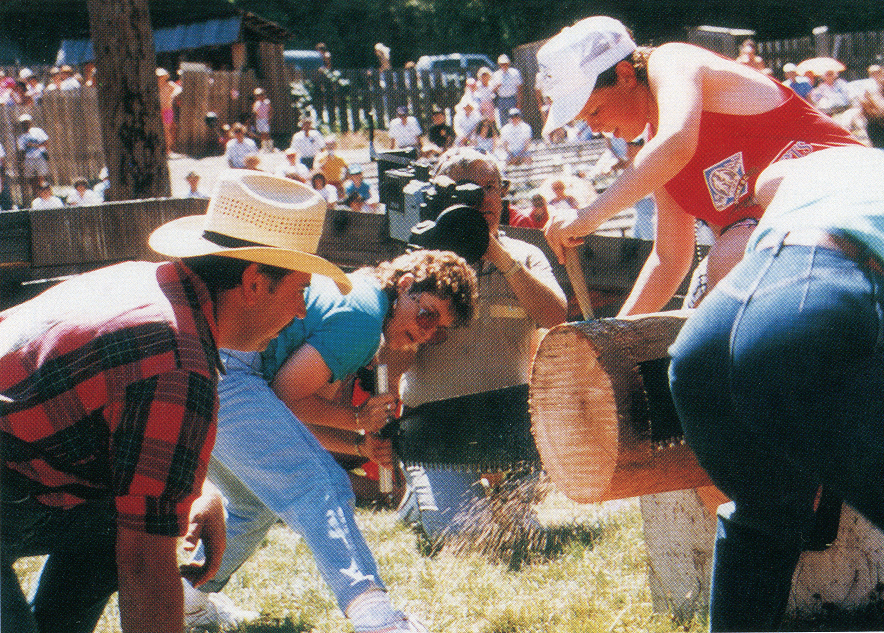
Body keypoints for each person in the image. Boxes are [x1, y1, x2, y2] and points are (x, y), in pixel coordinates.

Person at [668, 58, 884, 632]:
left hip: (703, 348)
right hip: (814, 318)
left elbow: (766, 184)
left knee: (768, 516)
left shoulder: (827, 163)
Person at [2, 169, 351, 633]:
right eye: (299, 291)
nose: (301, 311)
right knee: (132, 531)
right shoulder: (175, 360)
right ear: (254, 283)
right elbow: (145, 563)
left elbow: (126, 450)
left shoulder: (150, 284)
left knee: (121, 520)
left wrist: (196, 491)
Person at [183, 250, 477, 632]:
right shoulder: (364, 320)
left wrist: (360, 445)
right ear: (405, 286)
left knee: (253, 505)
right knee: (322, 486)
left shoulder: (362, 295)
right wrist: (357, 419)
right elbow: (288, 395)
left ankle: (186, 601)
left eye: (438, 330)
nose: (426, 332)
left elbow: (286, 410)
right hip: (230, 371)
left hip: (210, 364)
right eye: (428, 315)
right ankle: (377, 620)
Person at [539, 16, 859, 317]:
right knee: (702, 313)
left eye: (594, 111)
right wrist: (610, 340)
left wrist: (586, 218)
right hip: (799, 244)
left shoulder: (672, 61)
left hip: (854, 200)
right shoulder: (657, 151)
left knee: (729, 258)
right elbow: (669, 259)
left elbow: (677, 144)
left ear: (625, 74)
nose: (594, 128)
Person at [398, 147, 567, 546]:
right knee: (464, 535)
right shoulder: (420, 261)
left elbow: (556, 316)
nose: (485, 200)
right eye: (469, 190)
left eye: (492, 188)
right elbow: (387, 355)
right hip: (437, 426)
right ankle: (420, 496)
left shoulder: (526, 256)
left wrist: (494, 250)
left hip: (507, 420)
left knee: (517, 528)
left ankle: (508, 500)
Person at [16, 113, 50, 196]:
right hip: (29, 159)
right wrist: (21, 162)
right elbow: (22, 151)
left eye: (27, 122)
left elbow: (46, 143)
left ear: (30, 122)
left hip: (39, 157)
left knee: (41, 178)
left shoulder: (38, 131)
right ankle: (36, 196)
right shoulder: (21, 136)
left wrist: (34, 145)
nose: (25, 124)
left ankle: (45, 195)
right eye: (23, 123)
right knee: (32, 180)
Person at [493, 54, 523, 126]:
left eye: (505, 63)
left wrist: (519, 102)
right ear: (499, 64)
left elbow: (520, 88)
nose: (504, 65)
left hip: (512, 99)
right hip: (501, 100)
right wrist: (497, 86)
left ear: (508, 63)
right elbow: (492, 90)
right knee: (503, 122)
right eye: (502, 64)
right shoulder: (496, 74)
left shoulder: (515, 72)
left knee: (514, 120)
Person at [157, 68, 181, 156]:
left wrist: (173, 95)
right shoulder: (155, 86)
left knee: (167, 130)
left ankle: (168, 150)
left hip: (167, 110)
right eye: (159, 77)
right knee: (159, 130)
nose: (160, 78)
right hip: (157, 111)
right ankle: (161, 149)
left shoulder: (170, 85)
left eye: (162, 76)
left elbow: (179, 90)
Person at [252, 87, 273, 153]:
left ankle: (269, 148)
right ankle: (264, 148)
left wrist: (269, 119)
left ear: (263, 95)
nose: (259, 96)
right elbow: (255, 112)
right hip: (259, 120)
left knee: (266, 134)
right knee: (262, 134)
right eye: (258, 95)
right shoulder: (256, 103)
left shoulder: (267, 102)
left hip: (265, 119)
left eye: (261, 95)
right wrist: (255, 121)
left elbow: (270, 111)